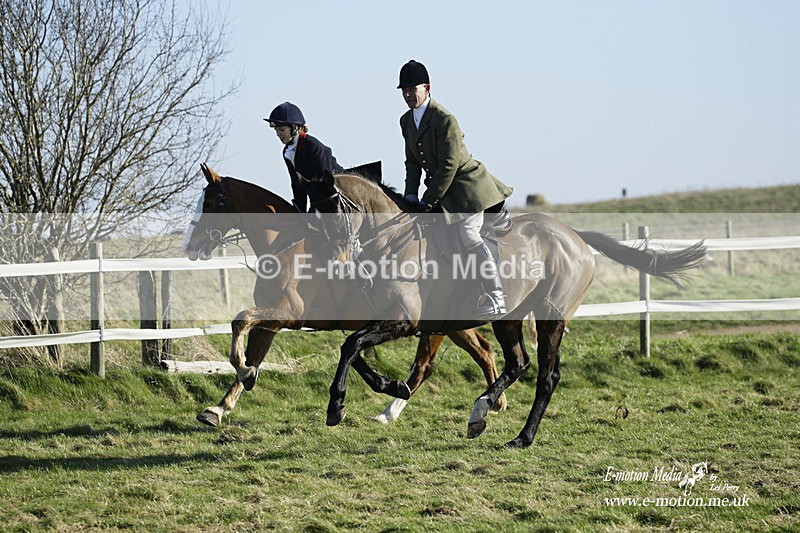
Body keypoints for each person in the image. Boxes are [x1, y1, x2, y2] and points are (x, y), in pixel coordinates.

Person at [397, 60, 513, 319]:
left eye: (411, 89)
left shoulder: (444, 119)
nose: (407, 95)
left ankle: (496, 296)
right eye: (403, 90)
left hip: (466, 188)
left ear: (426, 88)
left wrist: (428, 199)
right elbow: (412, 162)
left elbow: (449, 165)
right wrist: (409, 197)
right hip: (440, 188)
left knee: (468, 234)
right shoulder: (406, 121)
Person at [265, 102, 343, 213]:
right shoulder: (287, 152)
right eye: (276, 130)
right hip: (319, 197)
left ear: (295, 128)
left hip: (337, 194)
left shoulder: (313, 146)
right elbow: (297, 184)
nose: (278, 134)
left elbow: (324, 183)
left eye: (282, 130)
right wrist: (300, 210)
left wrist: (313, 209)